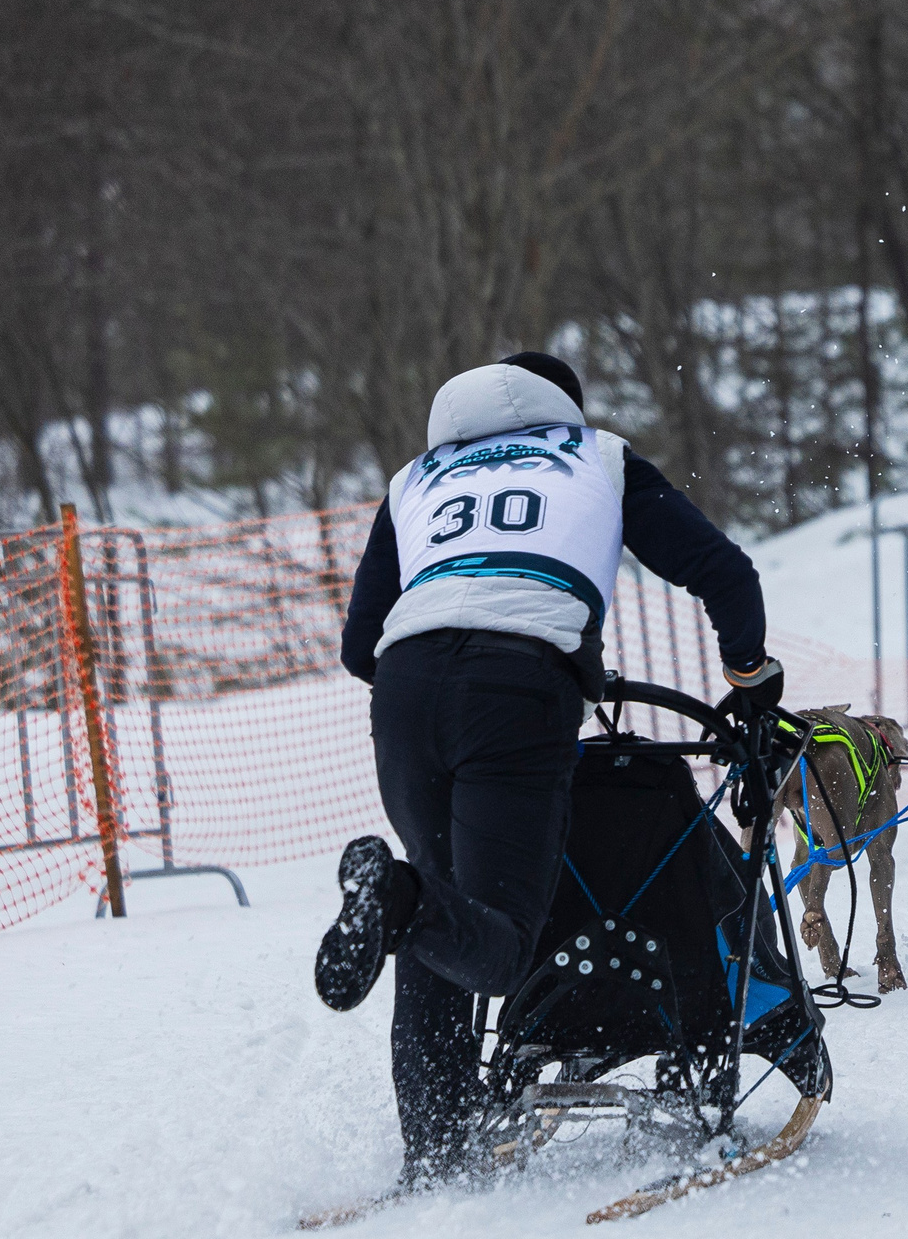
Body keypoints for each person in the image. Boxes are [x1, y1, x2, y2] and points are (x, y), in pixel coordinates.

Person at [313, 350, 783, 1184]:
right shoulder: (594, 455)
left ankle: (436, 1154)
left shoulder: (415, 478)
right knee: (494, 943)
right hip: (517, 686)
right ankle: (394, 891)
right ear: (564, 407)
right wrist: (749, 677)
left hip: (406, 692)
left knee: (434, 919)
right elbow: (724, 573)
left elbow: (359, 645)